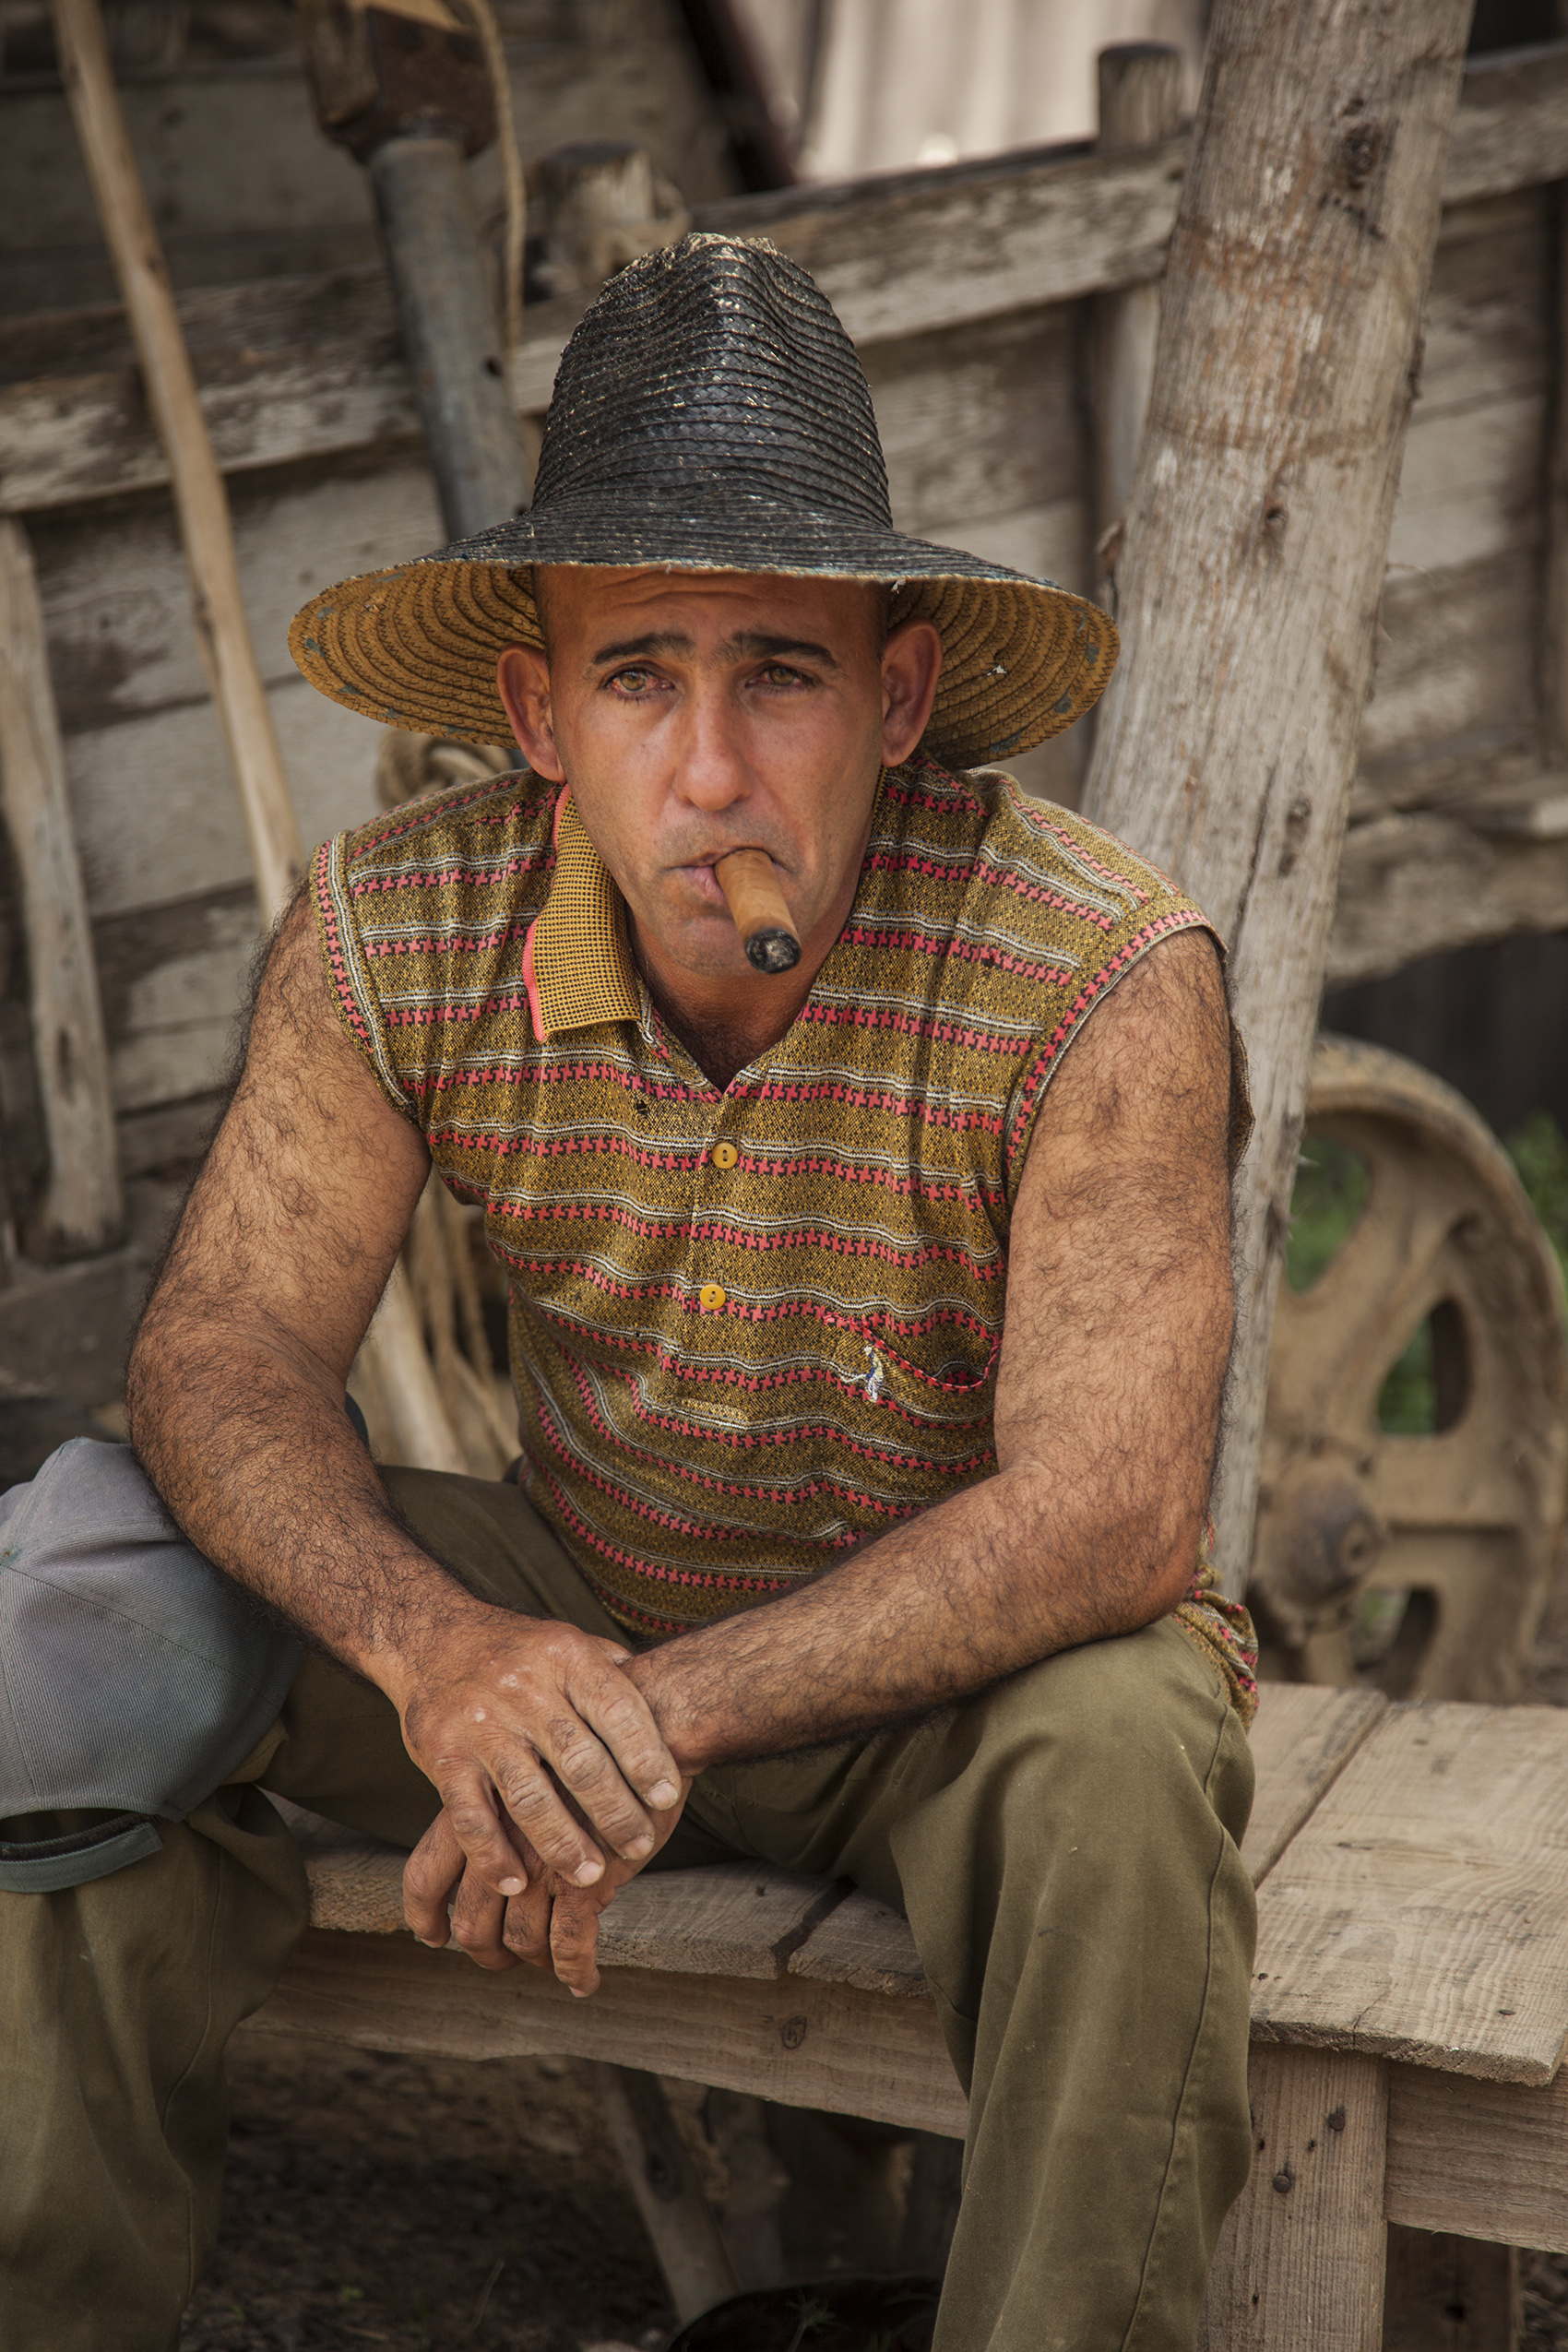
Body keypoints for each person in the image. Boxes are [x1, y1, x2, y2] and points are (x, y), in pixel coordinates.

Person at [0, 232, 1258, 2351]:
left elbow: (1114, 1511)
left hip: (941, 1685)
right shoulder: (400, 926)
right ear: (534, 716)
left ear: (899, 697)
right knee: (77, 1583)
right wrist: (445, 1652)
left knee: (1127, 1760)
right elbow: (221, 1349)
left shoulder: (1097, 967)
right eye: (636, 674)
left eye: (778, 671)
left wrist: (629, 1722)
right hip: (569, 1587)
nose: (704, 770)